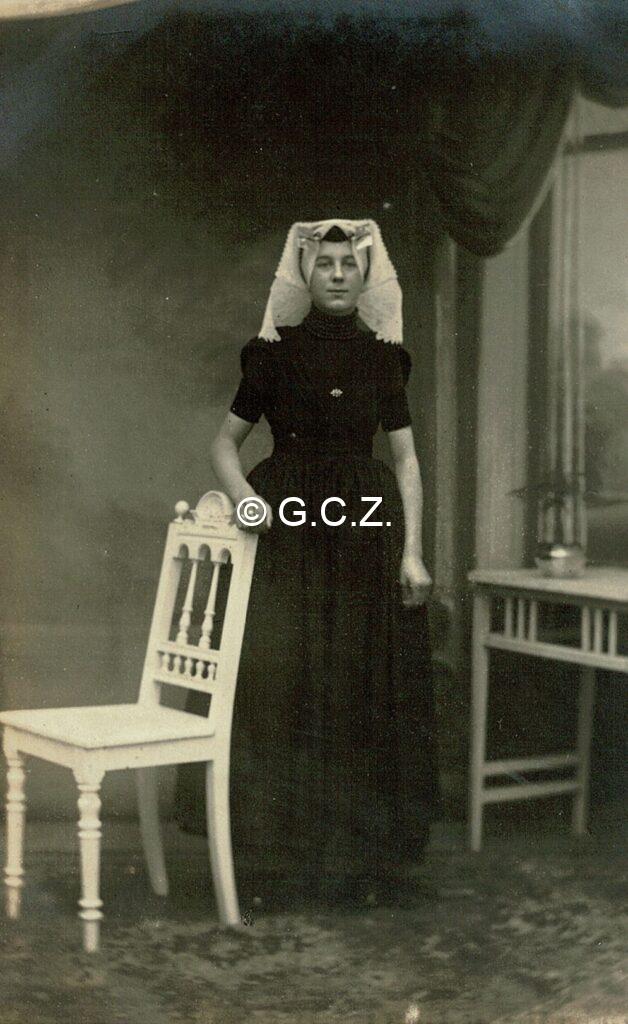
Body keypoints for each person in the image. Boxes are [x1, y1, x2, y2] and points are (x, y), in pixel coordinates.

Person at [176, 219, 443, 907]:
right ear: (305, 272)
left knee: (355, 681)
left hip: (364, 530)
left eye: (348, 264)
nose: (337, 275)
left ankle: (353, 861)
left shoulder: (384, 359)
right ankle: (276, 857)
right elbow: (223, 444)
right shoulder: (271, 356)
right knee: (282, 680)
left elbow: (406, 458)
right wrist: (245, 499)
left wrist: (413, 551)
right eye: (324, 264)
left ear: (365, 275)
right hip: (285, 535)